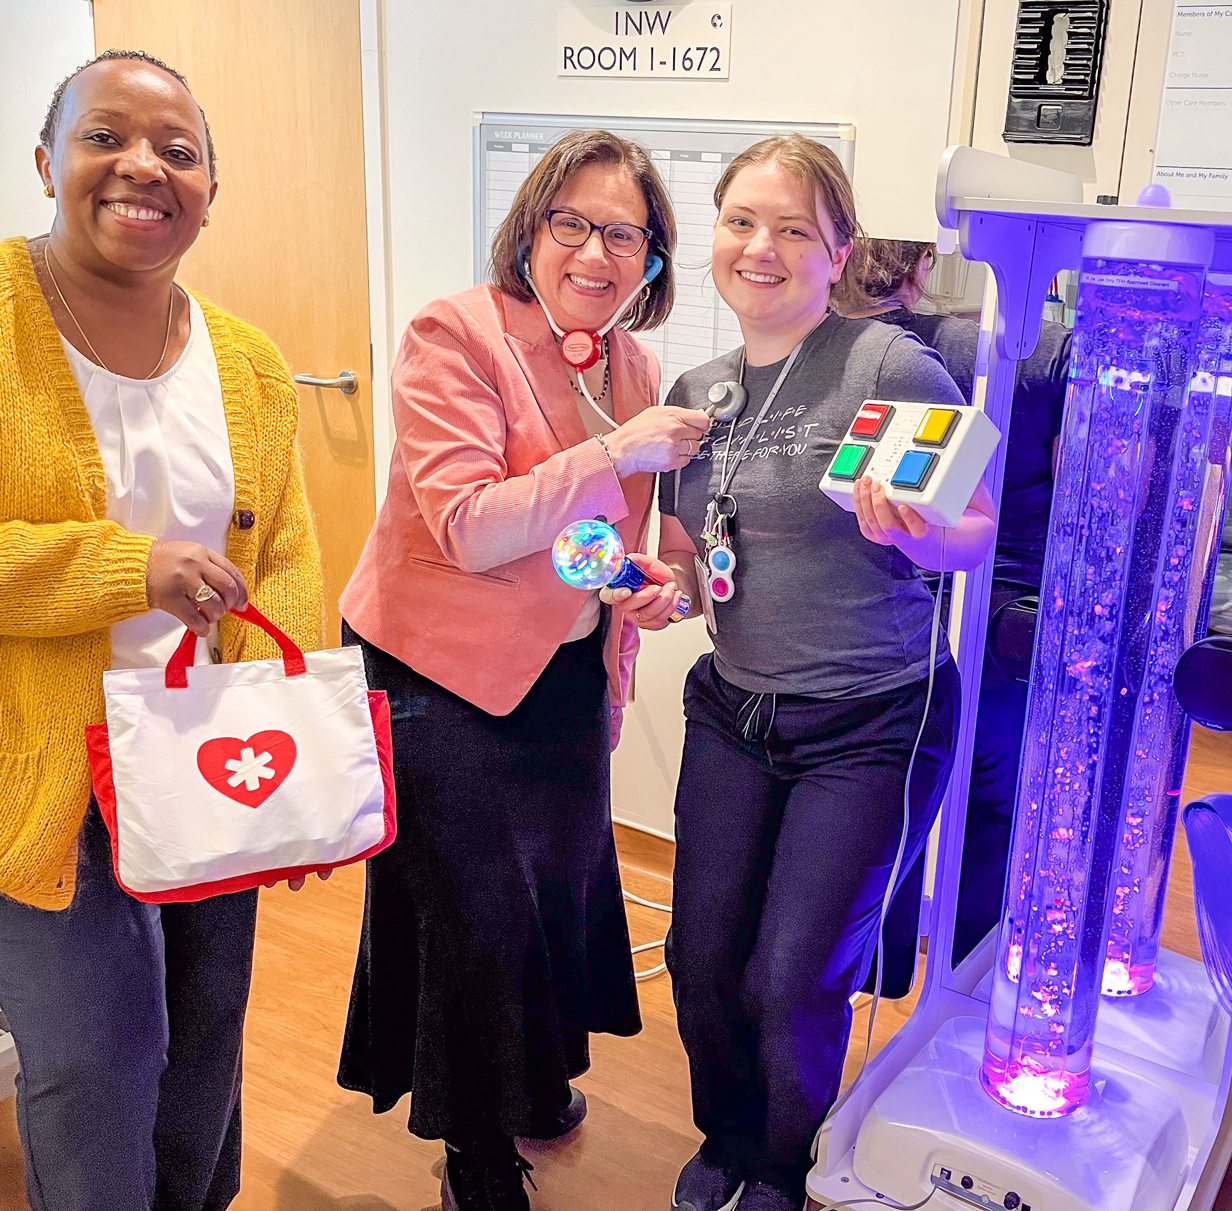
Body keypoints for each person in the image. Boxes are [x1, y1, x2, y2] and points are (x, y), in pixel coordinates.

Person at [607, 136, 997, 1211]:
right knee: (701, 955)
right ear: (714, 239)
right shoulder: (701, 390)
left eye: (792, 229)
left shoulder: (887, 366)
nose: (760, 248)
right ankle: (727, 1132)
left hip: (874, 718)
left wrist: (919, 534)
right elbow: (692, 567)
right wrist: (658, 589)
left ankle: (787, 1158)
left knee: (793, 972)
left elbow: (974, 532)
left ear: (837, 253)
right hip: (736, 710)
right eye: (741, 222)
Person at [335, 130, 708, 1211]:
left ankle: (536, 1080)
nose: (597, 252)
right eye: (573, 223)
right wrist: (616, 452)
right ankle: (476, 1145)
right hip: (437, 665)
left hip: (560, 668)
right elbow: (466, 526)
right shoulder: (453, 333)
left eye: (624, 232)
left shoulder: (631, 366)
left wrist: (649, 586)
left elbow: (609, 546)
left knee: (555, 891)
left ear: (651, 256)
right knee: (477, 910)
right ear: (532, 229)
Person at [0, 50, 323, 1211]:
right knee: (93, 1062)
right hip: (42, 774)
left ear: (208, 188)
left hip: (204, 757)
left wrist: (274, 730)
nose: (143, 166)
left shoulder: (249, 364)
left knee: (200, 1048)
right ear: (46, 160)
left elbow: (283, 549)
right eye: (105, 137)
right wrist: (126, 569)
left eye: (177, 150)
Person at [835, 238, 1072, 965]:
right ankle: (969, 980)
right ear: (923, 263)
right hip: (1007, 624)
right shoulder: (1041, 355)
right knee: (991, 809)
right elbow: (1084, 498)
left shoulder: (840, 361)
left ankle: (885, 967)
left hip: (885, 620)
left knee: (891, 804)